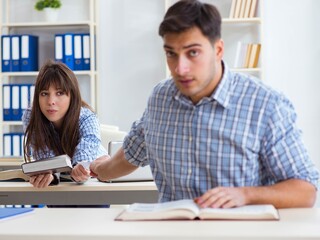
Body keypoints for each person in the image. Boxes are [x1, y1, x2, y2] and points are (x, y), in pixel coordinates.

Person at [90, 0, 319, 208]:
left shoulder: (267, 105)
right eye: (171, 53)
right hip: (173, 231)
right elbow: (133, 152)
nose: (180, 68)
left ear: (218, 49)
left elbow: (305, 190)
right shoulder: (160, 98)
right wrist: (97, 168)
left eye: (193, 53)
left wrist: (246, 195)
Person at [23, 60, 108, 189]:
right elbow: (43, 155)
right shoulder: (31, 116)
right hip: (60, 180)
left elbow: (85, 155)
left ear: (72, 96)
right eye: (44, 93)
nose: (51, 101)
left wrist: (79, 168)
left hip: (92, 179)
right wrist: (49, 172)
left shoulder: (87, 116)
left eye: (60, 93)